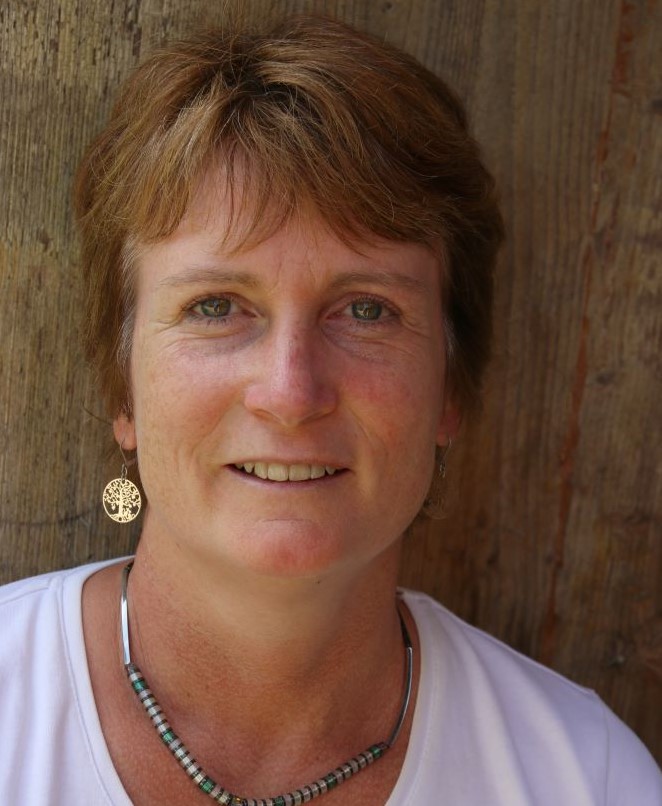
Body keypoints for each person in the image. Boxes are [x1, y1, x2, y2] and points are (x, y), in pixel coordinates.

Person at [1, 14, 660, 806]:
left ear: (450, 387)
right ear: (121, 388)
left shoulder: (587, 778)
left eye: (367, 310)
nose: (290, 392)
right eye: (216, 306)